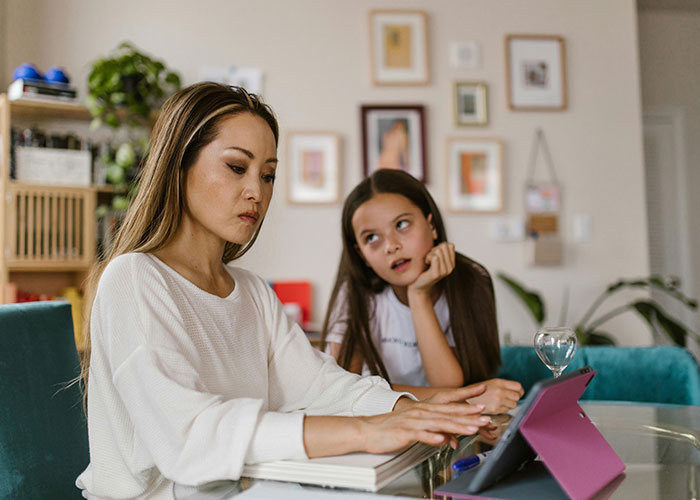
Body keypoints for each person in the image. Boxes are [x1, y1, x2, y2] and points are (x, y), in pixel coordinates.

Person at [76, 83, 493, 499]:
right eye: (237, 167)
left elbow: (324, 386)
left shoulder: (252, 292)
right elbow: (190, 437)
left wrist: (414, 412)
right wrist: (367, 430)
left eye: (268, 174)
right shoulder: (133, 277)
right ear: (179, 164)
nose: (257, 192)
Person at [321, 169, 523, 414]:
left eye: (402, 224)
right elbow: (345, 391)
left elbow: (447, 385)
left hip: (452, 427)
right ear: (361, 254)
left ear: (432, 225)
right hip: (383, 424)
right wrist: (465, 400)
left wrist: (419, 296)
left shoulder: (472, 280)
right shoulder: (354, 293)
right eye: (372, 237)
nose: (391, 246)